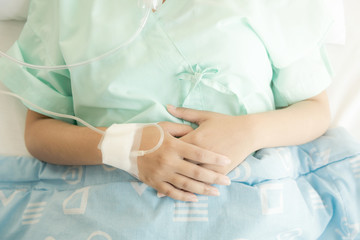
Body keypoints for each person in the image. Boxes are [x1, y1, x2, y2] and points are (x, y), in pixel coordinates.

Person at [0, 0, 333, 203]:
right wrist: (126, 148)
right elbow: (40, 132)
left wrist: (249, 132)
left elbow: (315, 110)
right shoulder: (65, 6)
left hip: (252, 193)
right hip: (108, 201)